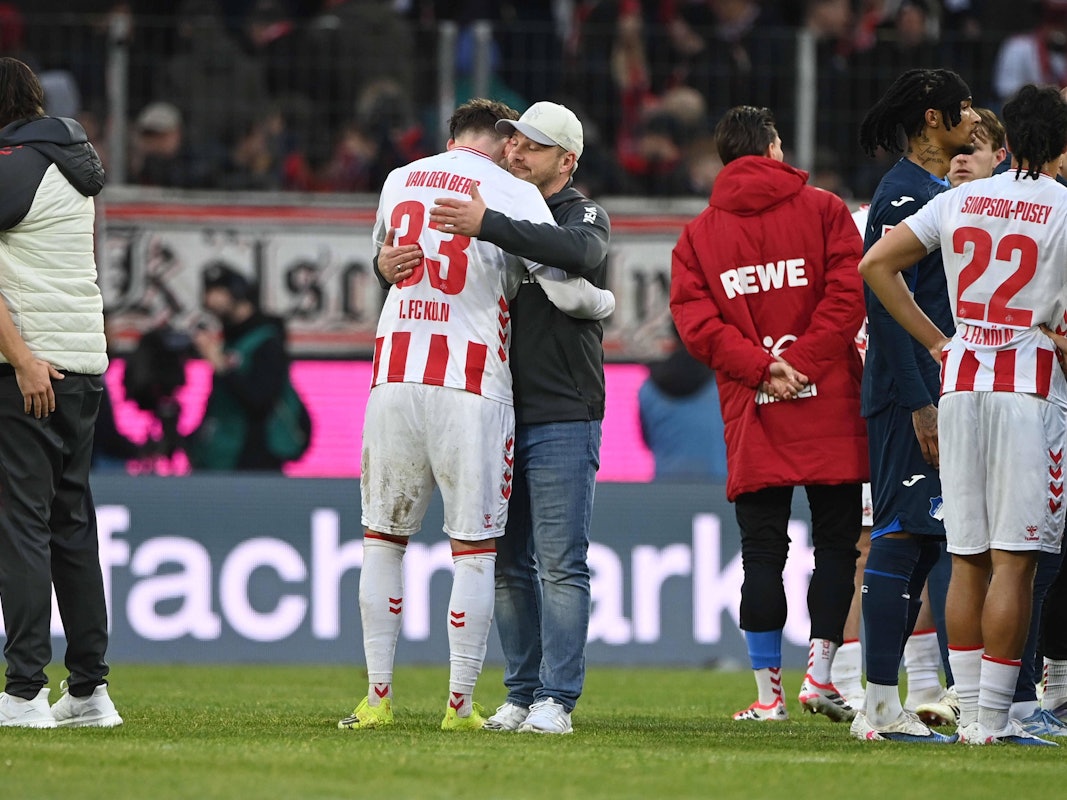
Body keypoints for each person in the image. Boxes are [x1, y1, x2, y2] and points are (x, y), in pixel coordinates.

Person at [338, 98, 614, 733]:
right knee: (490, 555)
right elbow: (574, 291)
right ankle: (477, 703)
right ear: (494, 140)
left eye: (531, 146)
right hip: (478, 389)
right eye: (512, 141)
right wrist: (606, 304)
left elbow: (578, 250)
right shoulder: (501, 191)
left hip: (418, 380)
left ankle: (391, 696)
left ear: (565, 160)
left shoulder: (403, 179)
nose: (515, 153)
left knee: (391, 540)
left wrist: (402, 257)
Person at [859, 82, 1067, 747]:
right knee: (1014, 561)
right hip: (1027, 390)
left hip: (960, 384)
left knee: (967, 556)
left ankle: (972, 715)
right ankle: (993, 719)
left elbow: (875, 265)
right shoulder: (1062, 208)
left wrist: (937, 342)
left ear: (1005, 143)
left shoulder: (959, 199)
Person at [670, 104, 868, 724]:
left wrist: (763, 369)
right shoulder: (827, 210)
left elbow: (696, 325)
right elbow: (848, 296)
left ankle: (767, 697)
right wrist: (805, 363)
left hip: (754, 407)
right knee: (838, 544)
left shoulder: (698, 236)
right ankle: (821, 676)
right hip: (829, 397)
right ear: (775, 148)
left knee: (762, 553)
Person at [848, 68, 979, 745]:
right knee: (900, 539)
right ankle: (874, 706)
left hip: (930, 391)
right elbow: (884, 306)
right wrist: (917, 403)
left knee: (925, 544)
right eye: (960, 108)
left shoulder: (932, 190)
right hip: (908, 398)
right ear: (931, 120)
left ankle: (884, 701)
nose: (969, 117)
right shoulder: (901, 193)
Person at [0, 56, 122, 728]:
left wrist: (19, 358)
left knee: (21, 526)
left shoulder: (13, 165)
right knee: (70, 527)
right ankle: (88, 692)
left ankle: (22, 693)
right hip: (82, 366)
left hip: (31, 371)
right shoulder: (74, 167)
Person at [184, 263, 297, 472]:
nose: (211, 300)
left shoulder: (266, 341)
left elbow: (259, 400)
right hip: (224, 457)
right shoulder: (231, 341)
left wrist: (222, 366)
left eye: (219, 291)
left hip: (255, 460)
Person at [638, 325, 728, 481]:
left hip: (664, 493)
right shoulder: (725, 382)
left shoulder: (648, 388)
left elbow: (648, 441)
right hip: (719, 492)